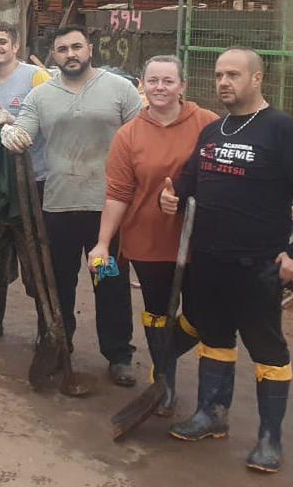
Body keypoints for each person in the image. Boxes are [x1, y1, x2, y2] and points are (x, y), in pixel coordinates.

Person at [161, 48, 293, 474]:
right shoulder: (214, 131)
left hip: (259, 264)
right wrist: (173, 195)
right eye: (218, 75)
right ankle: (211, 414)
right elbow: (192, 180)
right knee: (215, 339)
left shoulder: (283, 130)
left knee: (267, 348)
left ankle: (270, 439)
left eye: (233, 74)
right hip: (210, 259)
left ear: (257, 78)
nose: (223, 83)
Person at [1, 25, 141, 386]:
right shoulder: (41, 96)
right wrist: (11, 133)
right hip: (59, 206)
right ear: (54, 56)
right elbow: (25, 131)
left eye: (76, 47)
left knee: (108, 280)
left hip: (106, 211)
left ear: (89, 49)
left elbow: (142, 135)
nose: (70, 54)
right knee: (57, 281)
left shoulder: (119, 89)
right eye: (62, 49)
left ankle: (118, 353)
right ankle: (56, 342)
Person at [88, 56, 218, 415]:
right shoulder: (129, 134)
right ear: (141, 86)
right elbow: (117, 193)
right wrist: (103, 243)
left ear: (182, 86)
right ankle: (165, 378)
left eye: (168, 81)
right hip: (147, 240)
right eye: (153, 81)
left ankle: (164, 358)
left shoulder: (206, 123)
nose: (160, 87)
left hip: (198, 238)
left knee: (202, 314)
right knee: (158, 310)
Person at [0, 22, 51, 345]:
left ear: (15, 46)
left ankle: (46, 326)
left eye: (2, 42)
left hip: (33, 182)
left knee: (36, 259)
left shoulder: (36, 78)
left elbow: (51, 119)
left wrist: (15, 121)